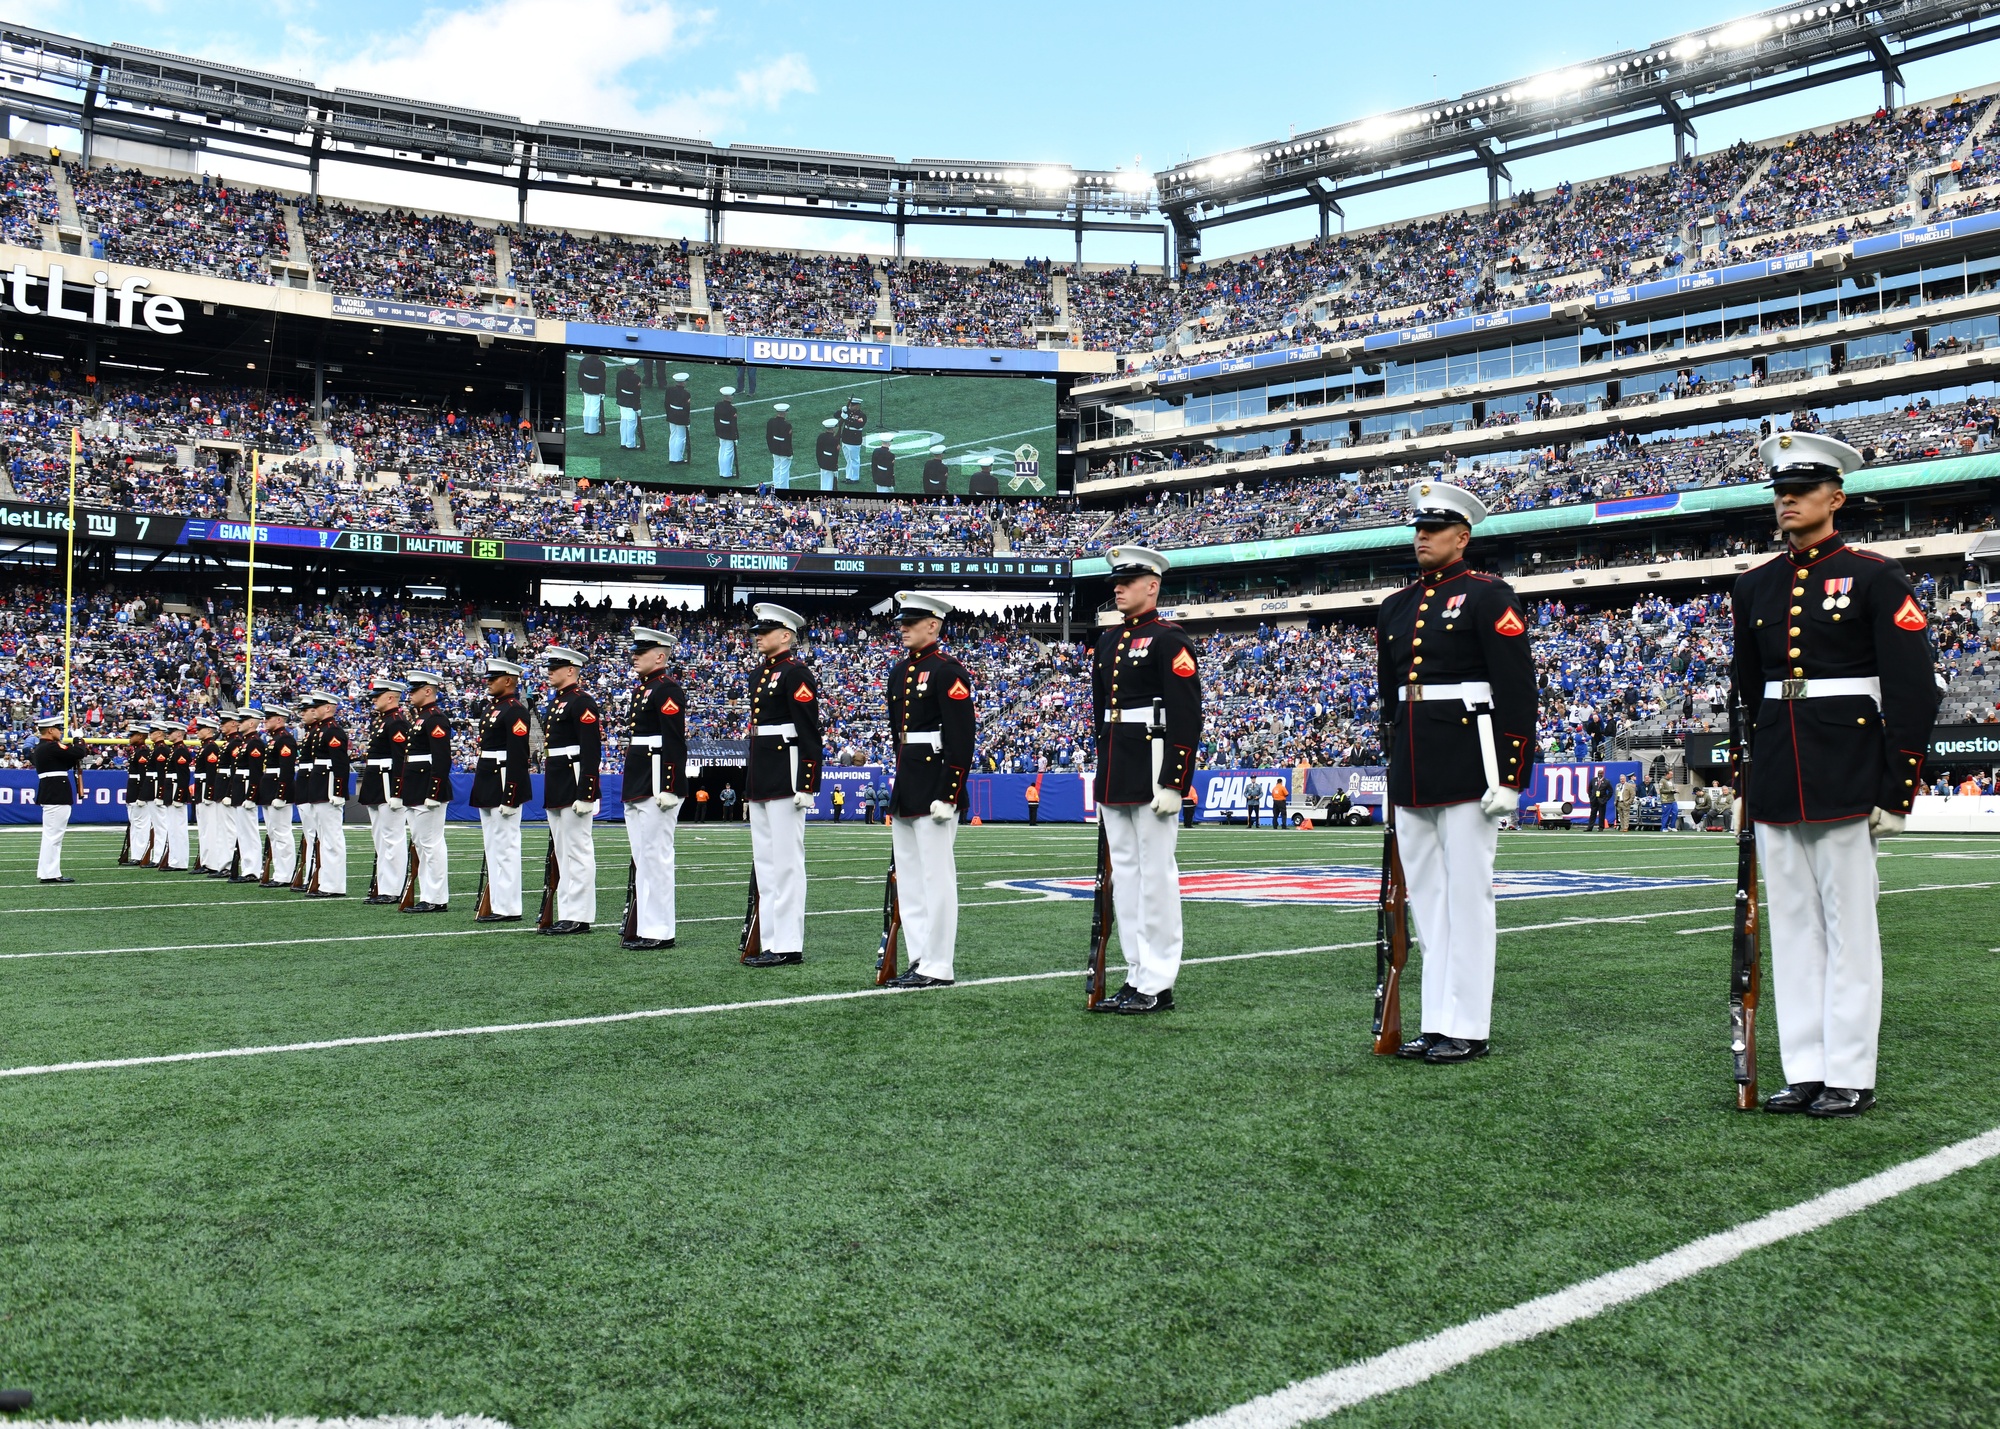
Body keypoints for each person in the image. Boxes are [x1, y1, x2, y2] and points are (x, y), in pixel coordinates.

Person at [1732, 430, 1941, 1119]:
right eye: (1781, 491)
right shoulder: (1754, 585)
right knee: (1792, 927)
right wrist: (1746, 780)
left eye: (1802, 490)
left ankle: (1850, 1070)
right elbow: (1747, 692)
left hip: (1849, 769)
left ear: (1835, 496)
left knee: (1850, 927)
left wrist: (1898, 784)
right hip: (1778, 772)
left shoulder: (1877, 577)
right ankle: (1807, 1068)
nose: (1788, 501)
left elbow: (1915, 689)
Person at [1376, 480, 1537, 1065]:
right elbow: (1389, 699)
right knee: (1427, 901)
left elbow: (1517, 690)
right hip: (1414, 763)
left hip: (1472, 760)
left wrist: (1513, 775)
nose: (1422, 537)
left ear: (1462, 536)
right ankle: (1436, 1019)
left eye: (1435, 528)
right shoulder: (1394, 607)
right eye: (1418, 528)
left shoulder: (1489, 596)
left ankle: (1467, 1024)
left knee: (1468, 896)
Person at [1090, 546, 1203, 1014]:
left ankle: (1157, 981)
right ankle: (1136, 973)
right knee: (1128, 878)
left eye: (1129, 580)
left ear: (1152, 585)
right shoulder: (1108, 641)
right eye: (1116, 580)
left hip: (1153, 764)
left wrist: (1174, 780)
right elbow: (1102, 714)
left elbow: (1185, 714)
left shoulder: (1168, 639)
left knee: (1155, 875)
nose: (1118, 587)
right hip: (1117, 764)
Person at [882, 592, 977, 989]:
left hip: (936, 782)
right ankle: (918, 958)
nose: (903, 627)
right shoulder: (900, 671)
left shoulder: (947, 670)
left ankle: (938, 965)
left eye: (912, 621)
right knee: (911, 876)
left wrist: (950, 792)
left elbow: (961, 736)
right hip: (909, 781)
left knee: (937, 878)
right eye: (902, 621)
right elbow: (896, 733)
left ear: (933, 625)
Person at [743, 602, 822, 967]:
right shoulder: (761, 673)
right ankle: (771, 938)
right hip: (763, 769)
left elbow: (808, 732)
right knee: (766, 861)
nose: (758, 635)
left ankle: (788, 943)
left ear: (786, 635)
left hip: (787, 772)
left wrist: (807, 783)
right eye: (758, 630)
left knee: (787, 862)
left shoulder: (796, 673)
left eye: (766, 630)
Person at [622, 625, 688, 950]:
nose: (634, 656)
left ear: (660, 655)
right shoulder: (645, 689)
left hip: (655, 780)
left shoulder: (667, 690)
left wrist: (669, 785)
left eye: (642, 651)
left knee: (656, 856)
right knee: (642, 856)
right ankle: (646, 925)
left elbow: (673, 742)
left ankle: (660, 930)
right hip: (639, 778)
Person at [540, 645, 602, 936]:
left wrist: (588, 790)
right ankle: (567, 911)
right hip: (557, 777)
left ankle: (578, 914)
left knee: (577, 849)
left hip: (573, 776)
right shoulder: (559, 701)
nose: (550, 671)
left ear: (571, 670)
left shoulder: (581, 701)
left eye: (556, 666)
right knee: (563, 851)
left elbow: (591, 749)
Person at [470, 658, 533, 923]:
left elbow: (518, 755)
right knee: (493, 845)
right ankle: (497, 901)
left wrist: (511, 794)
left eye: (493, 678)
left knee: (505, 846)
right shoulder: (494, 708)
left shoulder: (515, 710)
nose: (488, 682)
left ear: (509, 680)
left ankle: (508, 907)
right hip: (488, 777)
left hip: (503, 777)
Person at [400, 670, 454, 913]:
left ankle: (436, 897)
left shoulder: (435, 718)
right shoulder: (421, 718)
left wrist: (434, 790)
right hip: (415, 787)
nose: (409, 694)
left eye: (414, 690)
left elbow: (441, 759)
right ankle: (429, 894)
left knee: (430, 843)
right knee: (421, 843)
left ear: (428, 690)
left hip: (427, 789)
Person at [359, 677, 411, 904]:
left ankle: (393, 888)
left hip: (388, 784)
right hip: (377, 782)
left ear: (390, 697)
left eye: (377, 696)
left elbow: (400, 759)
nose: (373, 700)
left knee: (392, 838)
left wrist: (398, 792)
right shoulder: (383, 721)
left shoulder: (396, 722)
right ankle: (384, 886)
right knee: (381, 838)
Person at [299, 690, 351, 898]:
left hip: (328, 788)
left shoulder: (333, 732)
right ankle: (324, 882)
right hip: (319, 786)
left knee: (331, 837)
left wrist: (338, 791)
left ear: (328, 708)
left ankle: (334, 885)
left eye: (318, 706)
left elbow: (340, 764)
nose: (314, 710)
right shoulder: (320, 731)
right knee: (324, 837)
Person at [28, 714, 85, 883]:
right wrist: (78, 738)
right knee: (54, 836)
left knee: (51, 836)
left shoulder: (42, 748)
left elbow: (67, 761)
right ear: (50, 730)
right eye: (58, 729)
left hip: (51, 792)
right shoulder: (51, 747)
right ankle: (50, 873)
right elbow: (79, 752)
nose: (60, 732)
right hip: (56, 794)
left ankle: (48, 871)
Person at [257, 703, 298, 889]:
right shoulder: (274, 739)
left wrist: (281, 794)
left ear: (279, 719)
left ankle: (285, 874)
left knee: (282, 833)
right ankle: (279, 872)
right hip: (269, 787)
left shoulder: (285, 739)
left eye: (269, 718)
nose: (265, 721)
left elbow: (287, 769)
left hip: (277, 788)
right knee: (273, 833)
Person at [155, 720, 191, 871]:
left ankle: (180, 861)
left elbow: (184, 776)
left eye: (171, 732)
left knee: (178, 828)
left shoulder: (181, 750)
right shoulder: (175, 750)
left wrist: (179, 796)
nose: (168, 734)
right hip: (172, 788)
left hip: (176, 788)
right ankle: (174, 860)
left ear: (179, 733)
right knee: (172, 827)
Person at [191, 713, 222, 874]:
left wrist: (210, 793)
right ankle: (206, 861)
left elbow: (211, 773)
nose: (197, 731)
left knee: (210, 828)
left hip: (205, 788)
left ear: (208, 730)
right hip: (200, 787)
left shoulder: (210, 747)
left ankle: (212, 862)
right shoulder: (205, 746)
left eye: (200, 729)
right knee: (203, 827)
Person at [121, 724, 152, 864]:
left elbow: (144, 776)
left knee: (141, 825)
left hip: (138, 792)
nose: (130, 738)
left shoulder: (143, 752)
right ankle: (136, 854)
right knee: (135, 823)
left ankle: (140, 855)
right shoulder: (137, 751)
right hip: (133, 792)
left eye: (132, 735)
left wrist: (142, 796)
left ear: (140, 736)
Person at [663, 371, 692, 463]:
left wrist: (668, 413)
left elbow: (666, 403)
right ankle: (678, 458)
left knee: (673, 435)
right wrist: (687, 420)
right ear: (683, 382)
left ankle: (672, 457)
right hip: (681, 416)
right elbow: (686, 408)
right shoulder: (686, 394)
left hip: (671, 413)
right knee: (681, 437)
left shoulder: (669, 389)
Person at [615, 363, 644, 450]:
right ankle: (630, 444)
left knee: (624, 422)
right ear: (633, 366)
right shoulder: (636, 378)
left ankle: (623, 442)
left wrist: (619, 398)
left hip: (622, 399)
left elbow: (617, 387)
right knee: (631, 423)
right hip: (631, 401)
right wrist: (637, 406)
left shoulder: (620, 373)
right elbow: (636, 393)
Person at [577, 353, 606, 436]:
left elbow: (580, 373)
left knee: (587, 408)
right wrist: (602, 391)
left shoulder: (584, 360)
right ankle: (593, 430)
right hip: (595, 388)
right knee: (594, 409)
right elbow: (602, 379)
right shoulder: (601, 364)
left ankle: (586, 428)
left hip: (585, 385)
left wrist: (581, 385)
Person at [766, 402, 794, 487]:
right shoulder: (787, 425)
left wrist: (771, 448)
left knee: (776, 468)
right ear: (784, 413)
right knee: (784, 470)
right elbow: (788, 440)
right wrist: (790, 452)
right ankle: (782, 488)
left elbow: (768, 436)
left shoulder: (771, 421)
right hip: (784, 449)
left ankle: (776, 485)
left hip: (774, 447)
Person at [715, 385, 739, 479]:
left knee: (722, 450)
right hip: (729, 431)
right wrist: (735, 436)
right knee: (728, 453)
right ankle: (727, 473)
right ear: (729, 397)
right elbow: (733, 424)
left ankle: (722, 471)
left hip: (720, 429)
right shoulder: (732, 409)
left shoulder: (718, 405)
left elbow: (716, 419)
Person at [840, 400, 866, 483]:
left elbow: (858, 425)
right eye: (850, 405)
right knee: (848, 460)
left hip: (854, 440)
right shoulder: (848, 412)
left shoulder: (861, 415)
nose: (851, 407)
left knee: (854, 459)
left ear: (858, 406)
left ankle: (855, 478)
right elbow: (835, 415)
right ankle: (848, 477)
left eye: (853, 405)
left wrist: (847, 418)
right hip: (845, 439)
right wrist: (842, 411)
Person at [815, 417, 841, 492]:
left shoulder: (821, 437)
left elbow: (818, 451)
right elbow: (835, 455)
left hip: (822, 462)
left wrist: (819, 462)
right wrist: (835, 466)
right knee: (830, 483)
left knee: (824, 482)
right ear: (833, 429)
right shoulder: (834, 440)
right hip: (831, 465)